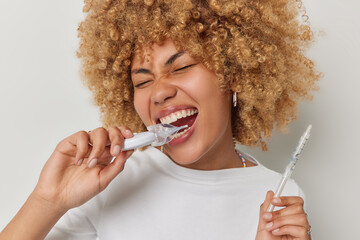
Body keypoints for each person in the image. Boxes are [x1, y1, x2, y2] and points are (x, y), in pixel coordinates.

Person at [0, 0, 320, 239]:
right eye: (142, 81)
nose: (158, 92)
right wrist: (48, 200)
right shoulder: (111, 181)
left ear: (233, 71)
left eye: (180, 67)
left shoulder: (279, 196)